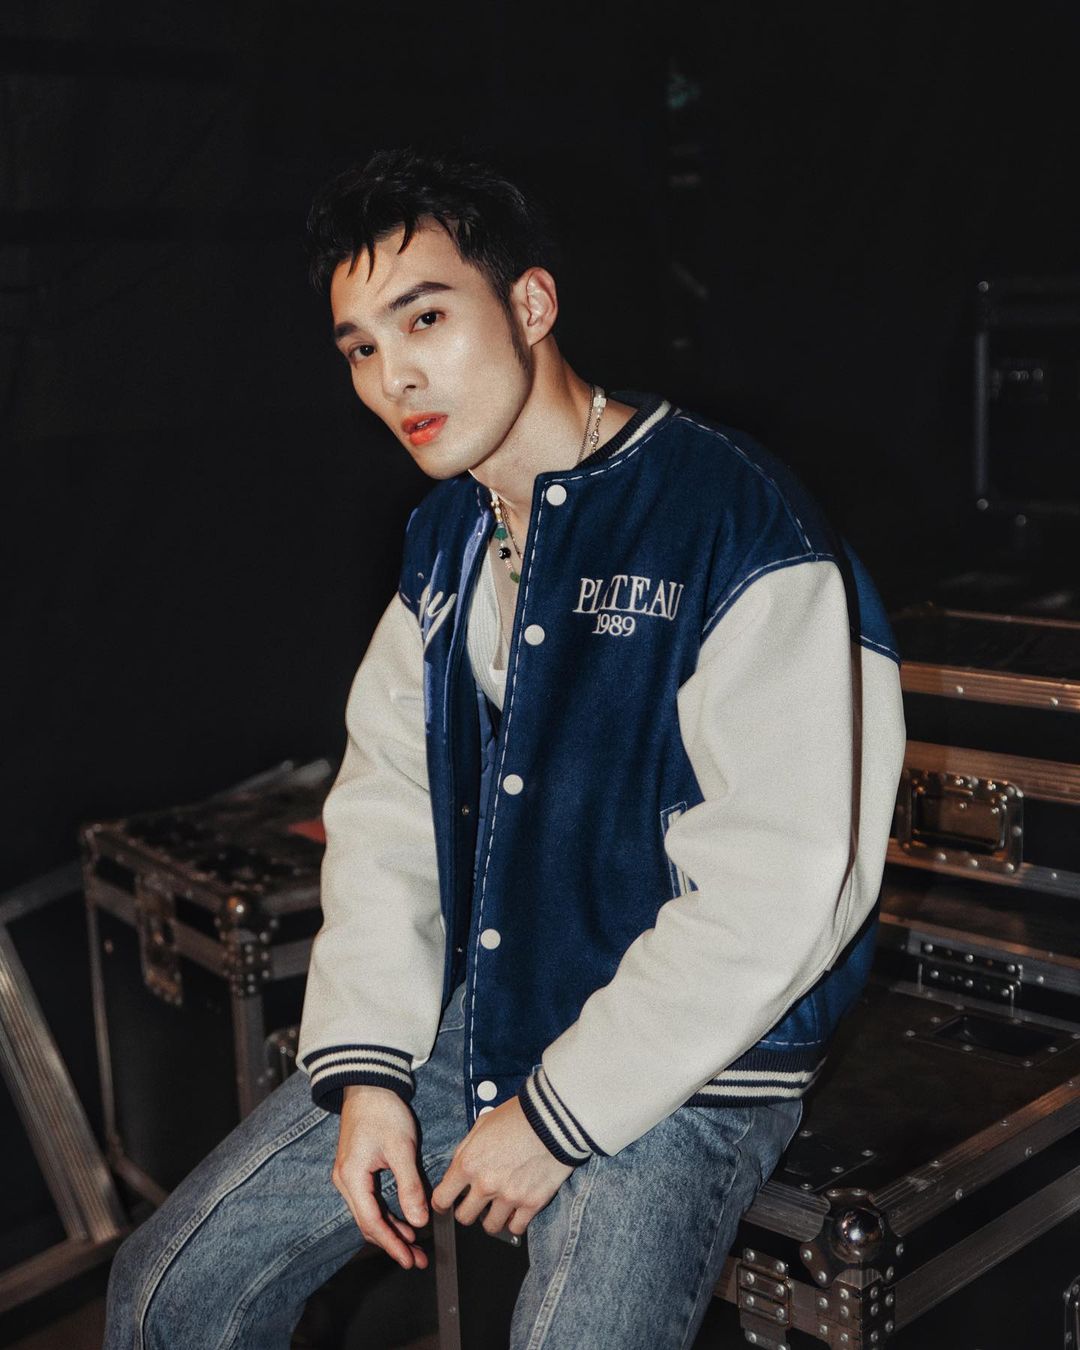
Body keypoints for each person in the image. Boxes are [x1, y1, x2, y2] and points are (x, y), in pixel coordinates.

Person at [104, 148, 906, 1349]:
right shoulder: (446, 537)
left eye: (425, 317)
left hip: (698, 1056)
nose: (393, 377)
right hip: (494, 1010)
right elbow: (387, 815)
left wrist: (556, 1116)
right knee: (167, 1290)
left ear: (530, 304)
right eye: (360, 347)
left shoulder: (733, 516)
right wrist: (369, 1074)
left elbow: (785, 880)